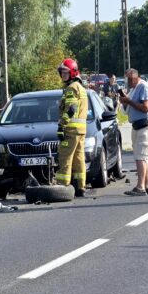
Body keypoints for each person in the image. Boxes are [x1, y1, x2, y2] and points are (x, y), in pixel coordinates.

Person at [119, 68, 148, 196]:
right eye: (127, 79)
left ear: (137, 77)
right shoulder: (133, 89)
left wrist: (129, 101)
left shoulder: (143, 87)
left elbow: (145, 108)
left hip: (145, 125)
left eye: (131, 79)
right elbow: (128, 110)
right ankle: (147, 185)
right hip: (137, 125)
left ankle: (140, 186)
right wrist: (125, 102)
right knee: (142, 157)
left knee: (141, 157)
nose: (129, 81)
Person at [55, 58, 88, 197]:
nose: (63, 75)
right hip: (81, 130)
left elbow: (72, 108)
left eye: (66, 73)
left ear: (73, 73)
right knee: (79, 158)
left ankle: (63, 187)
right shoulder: (81, 88)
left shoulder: (71, 88)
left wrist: (61, 125)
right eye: (62, 73)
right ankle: (81, 187)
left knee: (65, 157)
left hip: (71, 130)